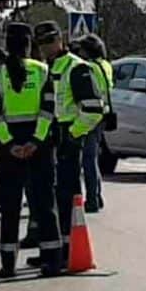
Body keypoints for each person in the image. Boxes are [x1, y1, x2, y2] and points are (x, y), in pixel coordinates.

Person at [0, 24, 62, 278]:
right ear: (29, 45)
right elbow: (49, 111)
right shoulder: (42, 71)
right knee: (44, 204)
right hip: (38, 147)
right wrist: (35, 142)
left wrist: (10, 145)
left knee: (10, 207)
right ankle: (51, 261)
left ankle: (8, 265)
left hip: (10, 150)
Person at [32, 21, 105, 266]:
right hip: (47, 139)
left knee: (65, 199)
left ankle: (68, 251)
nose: (46, 48)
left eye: (50, 42)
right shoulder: (44, 69)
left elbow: (94, 110)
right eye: (42, 44)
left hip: (66, 140)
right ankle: (52, 251)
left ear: (60, 39)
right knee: (47, 200)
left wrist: (73, 135)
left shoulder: (77, 68)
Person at [77, 34, 114, 213]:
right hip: (104, 114)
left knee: (88, 159)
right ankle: (97, 196)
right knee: (92, 158)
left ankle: (92, 198)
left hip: (91, 114)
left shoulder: (88, 67)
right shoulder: (106, 65)